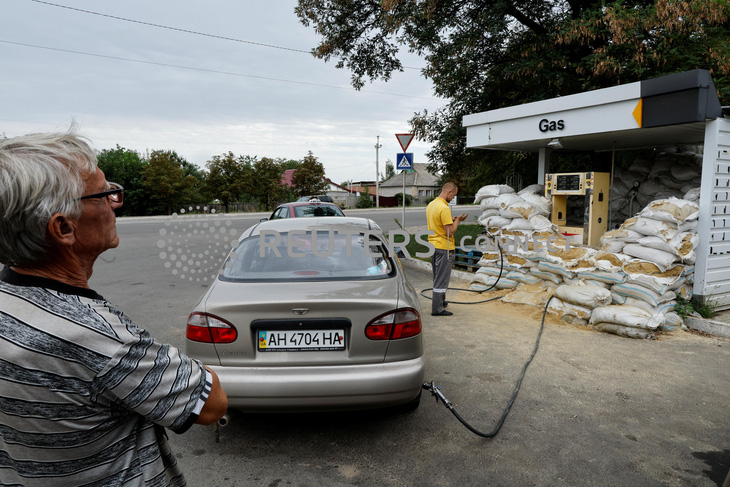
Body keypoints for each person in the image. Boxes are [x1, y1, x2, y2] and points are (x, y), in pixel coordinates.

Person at [0, 131, 228, 486]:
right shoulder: (96, 339)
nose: (115, 203)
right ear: (63, 227)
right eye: (105, 193)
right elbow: (212, 403)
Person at [426, 182, 468, 316]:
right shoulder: (444, 208)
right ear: (449, 192)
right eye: (454, 195)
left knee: (437, 276)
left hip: (433, 245)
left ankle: (440, 301)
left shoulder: (432, 205)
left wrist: (451, 219)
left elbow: (439, 223)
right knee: (442, 279)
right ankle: (437, 309)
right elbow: (450, 231)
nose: (453, 197)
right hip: (444, 247)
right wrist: (457, 221)